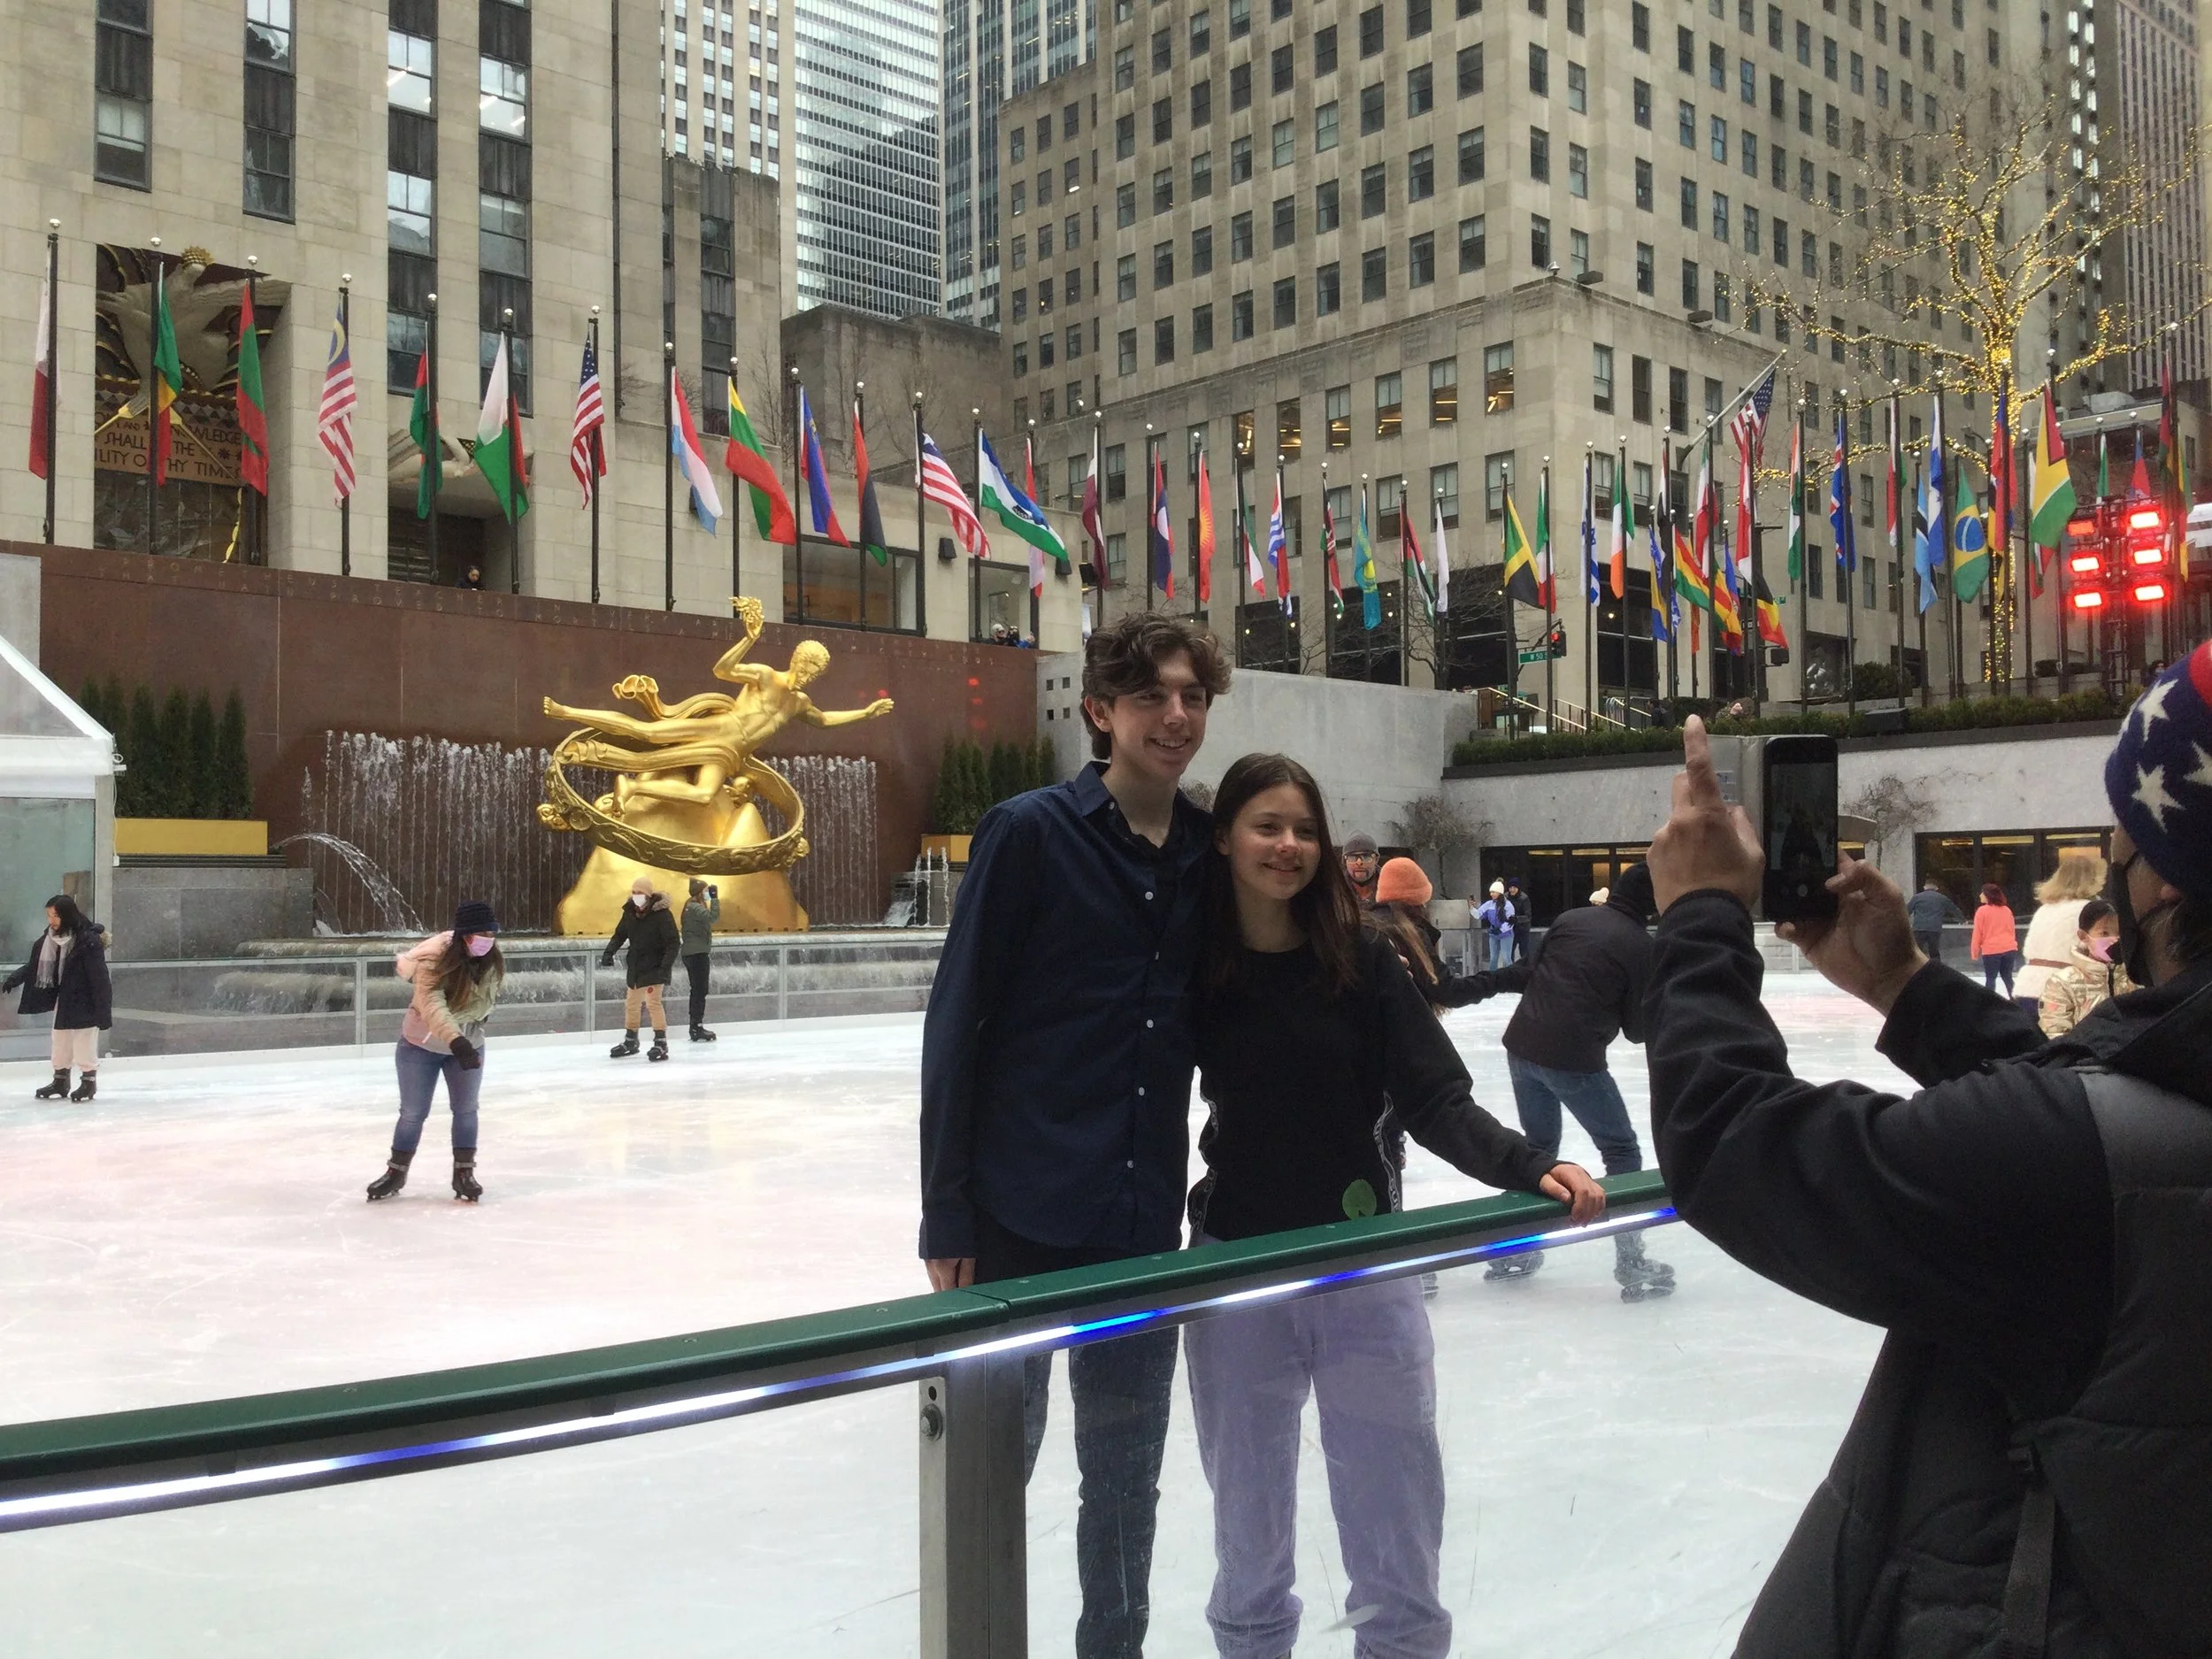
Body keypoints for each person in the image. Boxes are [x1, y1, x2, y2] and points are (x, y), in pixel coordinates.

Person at [1640, 657, 2212, 1657]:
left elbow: (1734, 1143)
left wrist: (1699, 919)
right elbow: (2115, 1134)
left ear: (2165, 875)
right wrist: (1908, 985)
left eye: (2118, 841)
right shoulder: (2125, 1139)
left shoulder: (2079, 1166)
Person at [1186, 754, 1603, 1659]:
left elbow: (1434, 1098)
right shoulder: (1196, 966)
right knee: (1245, 1528)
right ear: (1223, 839)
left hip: (1363, 1265)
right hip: (1233, 1268)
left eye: (1304, 828)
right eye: (1266, 825)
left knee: (1397, 1520)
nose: (1287, 845)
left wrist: (1529, 1166)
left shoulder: (1363, 963)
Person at [919, 610, 1232, 1659]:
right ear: (1099, 710)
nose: (1176, 716)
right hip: (1016, 1213)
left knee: (1125, 1477)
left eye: (1192, 697)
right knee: (994, 1465)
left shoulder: (1207, 851)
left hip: (1142, 1218)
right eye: (1151, 696)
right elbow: (959, 1024)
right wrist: (946, 1212)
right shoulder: (1029, 832)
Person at [1443, 868, 1677, 1300]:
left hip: (1522, 1047)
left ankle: (1516, 1251)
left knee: (1538, 1154)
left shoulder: (1571, 919)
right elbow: (1638, 1030)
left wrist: (1469, 988)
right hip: (1572, 1060)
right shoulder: (1642, 947)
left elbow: (1530, 970)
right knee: (1621, 1150)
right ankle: (1631, 1262)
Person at [365, 902, 504, 1202]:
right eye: (480, 934)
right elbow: (431, 1004)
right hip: (421, 1047)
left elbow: (484, 1002)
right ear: (464, 935)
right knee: (413, 1113)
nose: (487, 940)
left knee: (466, 1110)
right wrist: (456, 1041)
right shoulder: (433, 961)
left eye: (491, 933)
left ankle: (464, 1173)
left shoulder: (492, 960)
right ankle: (396, 1172)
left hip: (469, 1044)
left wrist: (471, 1034)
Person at [4, 895, 112, 1102]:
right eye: (48, 915)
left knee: (83, 1042)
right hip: (62, 1001)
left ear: (67, 915)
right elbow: (35, 966)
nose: (51, 921)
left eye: (55, 916)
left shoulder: (87, 942)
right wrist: (13, 979)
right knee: (60, 1041)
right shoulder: (49, 939)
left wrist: (103, 1011)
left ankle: (88, 1083)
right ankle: (60, 1081)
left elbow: (99, 978)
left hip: (84, 1001)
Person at [2015, 845, 2108, 1015]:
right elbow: (2102, 953)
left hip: (2027, 988)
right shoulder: (2091, 909)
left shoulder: (2045, 909)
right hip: (2064, 993)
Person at [2036, 896, 2137, 1038]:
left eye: (2119, 933)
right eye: (2104, 933)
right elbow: (2055, 1034)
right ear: (2083, 936)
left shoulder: (2135, 977)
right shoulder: (2062, 983)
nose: (2114, 939)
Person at [602, 877, 680, 1060]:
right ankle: (631, 1040)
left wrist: (665, 967)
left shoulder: (662, 915)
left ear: (648, 895)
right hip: (636, 966)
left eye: (640, 893)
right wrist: (609, 952)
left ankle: (660, 1042)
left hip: (655, 967)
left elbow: (673, 943)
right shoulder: (629, 912)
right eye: (634, 892)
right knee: (631, 1004)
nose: (636, 896)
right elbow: (620, 934)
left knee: (653, 1004)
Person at [680, 877, 719, 1041]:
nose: (707, 894)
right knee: (699, 990)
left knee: (698, 990)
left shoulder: (689, 907)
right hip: (697, 954)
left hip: (694, 952)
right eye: (705, 891)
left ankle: (695, 1025)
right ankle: (696, 1026)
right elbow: (713, 918)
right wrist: (715, 899)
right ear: (699, 893)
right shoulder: (695, 907)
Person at [1970, 881, 2020, 995]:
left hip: (1991, 950)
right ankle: (2016, 1001)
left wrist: (1975, 952)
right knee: (2007, 977)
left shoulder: (1982, 911)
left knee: (1990, 979)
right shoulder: (2007, 910)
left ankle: (1989, 1004)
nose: (1980, 895)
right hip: (2009, 948)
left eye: (1982, 893)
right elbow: (2011, 930)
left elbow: (1977, 933)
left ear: (1988, 895)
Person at [1903, 879, 1965, 964]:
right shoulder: (1942, 898)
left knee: (1918, 951)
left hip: (1919, 927)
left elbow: (1907, 911)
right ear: (1936, 888)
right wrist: (1962, 920)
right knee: (1934, 951)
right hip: (1934, 928)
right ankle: (1935, 968)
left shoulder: (1917, 897)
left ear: (1925, 887)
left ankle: (1917, 968)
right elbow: (1953, 909)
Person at [1474, 879, 1516, 969]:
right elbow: (1478, 914)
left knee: (1506, 958)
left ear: (1499, 892)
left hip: (1506, 935)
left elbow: (1510, 922)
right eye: (1491, 892)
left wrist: (1500, 929)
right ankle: (1492, 978)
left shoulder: (1508, 905)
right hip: (1494, 934)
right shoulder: (1489, 904)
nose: (1491, 894)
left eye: (1493, 892)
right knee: (1493, 958)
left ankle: (1511, 976)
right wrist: (1471, 908)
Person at [1341, 831, 1380, 907]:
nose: (1359, 863)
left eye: (1366, 857)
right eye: (1352, 858)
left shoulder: (1394, 892)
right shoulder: (1334, 893)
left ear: (1376, 859)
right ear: (1345, 861)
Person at [1503, 875, 1532, 962]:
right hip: (1510, 929)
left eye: (1514, 887)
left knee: (1524, 951)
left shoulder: (1524, 898)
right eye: (1510, 887)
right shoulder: (1505, 897)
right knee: (1509, 952)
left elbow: (1528, 916)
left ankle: (1526, 970)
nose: (1512, 889)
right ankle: (1511, 970)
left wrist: (1516, 919)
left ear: (1518, 888)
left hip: (1523, 929)